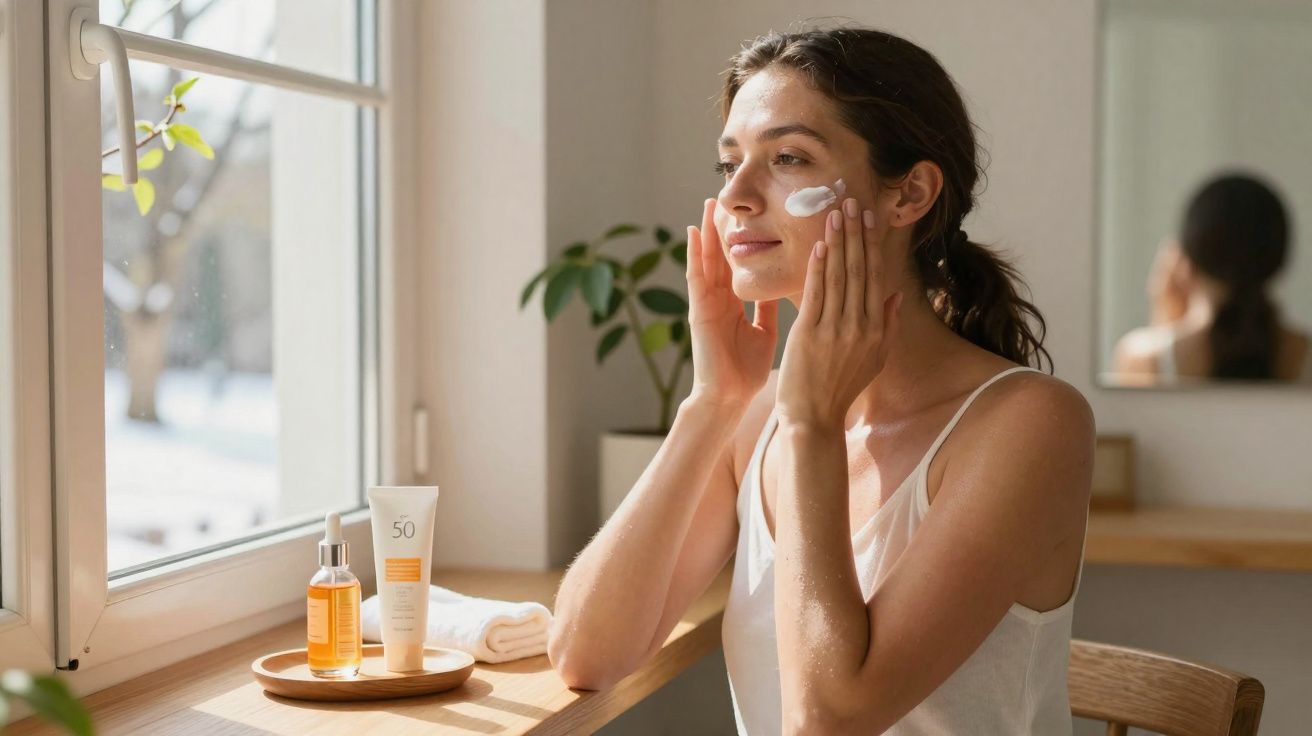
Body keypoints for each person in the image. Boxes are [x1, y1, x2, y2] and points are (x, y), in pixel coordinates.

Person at [548, 25, 1094, 734]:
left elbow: (828, 720)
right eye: (728, 164)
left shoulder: (1028, 425)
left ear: (910, 194)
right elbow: (587, 655)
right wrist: (711, 404)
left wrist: (811, 425)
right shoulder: (758, 416)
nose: (737, 196)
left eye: (788, 158)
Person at [1113, 173, 1310, 386]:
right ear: (1278, 259)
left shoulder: (1143, 356)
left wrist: (1163, 323)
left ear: (1187, 257)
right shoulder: (1305, 355)